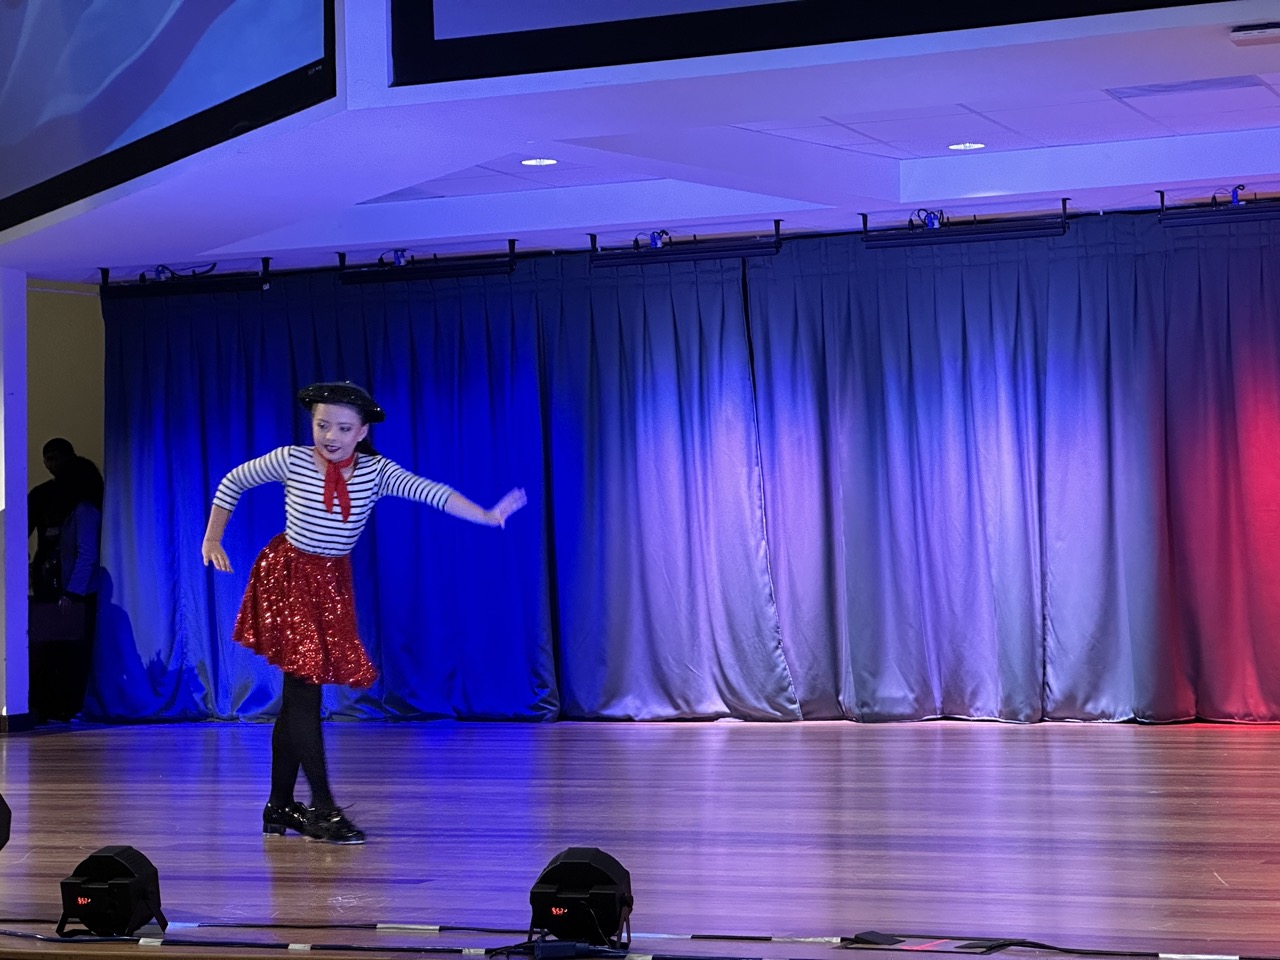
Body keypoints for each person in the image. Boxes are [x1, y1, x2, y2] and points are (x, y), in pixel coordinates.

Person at [201, 381, 527, 844]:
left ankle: (278, 805)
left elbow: (431, 492)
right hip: (290, 577)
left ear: (361, 431)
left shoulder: (375, 473)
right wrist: (213, 538)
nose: (330, 435)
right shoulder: (292, 459)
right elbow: (233, 480)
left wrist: (488, 515)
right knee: (303, 692)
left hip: (330, 583)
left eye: (342, 428)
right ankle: (323, 808)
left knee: (298, 697)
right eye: (322, 425)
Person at [29, 454, 104, 722]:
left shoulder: (84, 511)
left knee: (68, 653)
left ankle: (64, 705)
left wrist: (72, 592)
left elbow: (87, 554)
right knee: (60, 651)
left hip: (76, 594)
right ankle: (57, 705)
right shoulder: (77, 510)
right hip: (70, 592)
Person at [29, 437, 77, 602]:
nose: (55, 464)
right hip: (47, 565)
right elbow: (23, 530)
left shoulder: (85, 490)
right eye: (50, 459)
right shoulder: (40, 494)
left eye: (59, 458)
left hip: (76, 565)